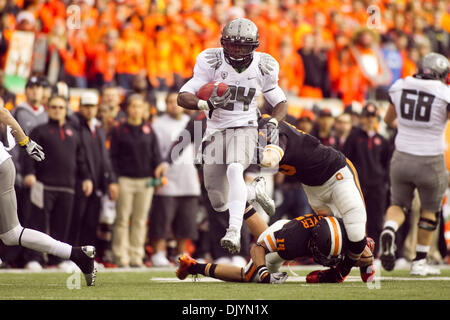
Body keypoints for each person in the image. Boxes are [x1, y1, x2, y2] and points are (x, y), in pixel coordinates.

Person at [177, 18, 288, 254]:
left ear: (254, 46)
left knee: (235, 169)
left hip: (246, 126)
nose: (237, 50)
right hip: (215, 130)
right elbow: (182, 95)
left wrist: (274, 121)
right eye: (233, 45)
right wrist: (204, 103)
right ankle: (252, 192)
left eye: (243, 46)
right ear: (223, 43)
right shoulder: (211, 60)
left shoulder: (263, 65)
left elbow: (280, 101)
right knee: (218, 201)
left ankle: (234, 231)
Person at [254, 115, 368, 283]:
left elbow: (270, 160)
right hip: (312, 189)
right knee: (332, 237)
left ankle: (347, 269)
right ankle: (355, 258)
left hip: (336, 174)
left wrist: (253, 153)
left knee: (356, 231)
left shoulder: (267, 127)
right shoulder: (249, 132)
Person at [0, 97, 96, 286]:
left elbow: (3, 113)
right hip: (4, 163)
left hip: (1, 166)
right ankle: (76, 254)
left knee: (12, 232)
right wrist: (25, 143)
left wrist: (25, 142)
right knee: (11, 234)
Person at [380, 52, 450, 276]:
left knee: (398, 204)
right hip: (431, 159)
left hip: (401, 157)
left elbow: (388, 120)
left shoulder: (400, 85)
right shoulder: (444, 93)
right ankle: (419, 262)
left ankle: (389, 229)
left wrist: (410, 129)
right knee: (429, 211)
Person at [177, 212, 375, 284]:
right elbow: (258, 248)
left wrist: (364, 266)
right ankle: (193, 266)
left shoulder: (346, 232)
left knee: (266, 231)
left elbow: (367, 252)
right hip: (282, 235)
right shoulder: (290, 241)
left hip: (291, 232)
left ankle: (244, 202)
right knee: (247, 276)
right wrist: (263, 273)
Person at [22, 94, 93, 270]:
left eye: (61, 107)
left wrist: (86, 178)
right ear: (48, 109)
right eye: (54, 107)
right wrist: (29, 172)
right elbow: (29, 155)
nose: (57, 110)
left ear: (66, 110)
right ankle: (34, 258)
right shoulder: (39, 130)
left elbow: (81, 158)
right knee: (37, 224)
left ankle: (57, 259)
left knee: (62, 225)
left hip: (67, 186)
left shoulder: (73, 132)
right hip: (43, 184)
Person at [109, 93, 168, 268]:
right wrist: (113, 180)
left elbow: (156, 156)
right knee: (122, 219)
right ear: (128, 109)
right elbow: (111, 157)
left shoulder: (149, 130)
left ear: (144, 109)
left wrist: (158, 175)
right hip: (125, 180)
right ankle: (120, 255)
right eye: (132, 106)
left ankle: (136, 255)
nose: (135, 109)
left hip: (145, 181)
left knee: (140, 220)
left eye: (139, 106)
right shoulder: (119, 130)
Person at [149, 91, 201, 266]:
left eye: (176, 102)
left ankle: (181, 254)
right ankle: (159, 252)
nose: (174, 105)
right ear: (165, 104)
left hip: (189, 178)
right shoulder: (158, 124)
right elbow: (154, 151)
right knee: (162, 219)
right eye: (170, 102)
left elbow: (199, 151)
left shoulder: (193, 123)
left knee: (186, 221)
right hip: (167, 178)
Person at [68, 91, 118, 257]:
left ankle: (86, 258)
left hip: (96, 183)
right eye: (86, 106)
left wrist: (110, 180)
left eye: (92, 107)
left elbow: (104, 157)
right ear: (80, 107)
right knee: (76, 221)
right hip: (80, 181)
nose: (89, 110)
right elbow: (79, 155)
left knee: (91, 222)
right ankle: (72, 255)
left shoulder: (97, 128)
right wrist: (85, 177)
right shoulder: (75, 126)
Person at [343, 102, 391, 257]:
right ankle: (355, 252)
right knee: (356, 220)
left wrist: (383, 181)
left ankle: (374, 252)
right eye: (367, 116)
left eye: (372, 116)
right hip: (359, 185)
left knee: (376, 221)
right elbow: (346, 160)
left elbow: (385, 163)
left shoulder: (382, 140)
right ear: (362, 118)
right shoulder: (354, 137)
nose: (370, 119)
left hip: (377, 187)